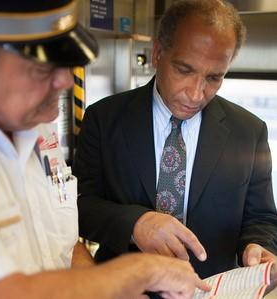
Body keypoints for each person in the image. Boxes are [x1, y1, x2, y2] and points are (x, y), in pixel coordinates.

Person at [0, 1, 210, 299]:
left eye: (65, 63)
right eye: (40, 67)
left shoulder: (39, 132)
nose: (64, 80)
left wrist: (103, 288)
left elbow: (59, 245)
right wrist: (142, 271)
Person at [74, 0, 277, 290]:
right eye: (184, 70)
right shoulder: (104, 119)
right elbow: (79, 208)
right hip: (126, 291)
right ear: (158, 53)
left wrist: (258, 245)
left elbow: (261, 217)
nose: (196, 94)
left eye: (213, 78)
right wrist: (136, 223)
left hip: (213, 290)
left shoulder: (249, 131)